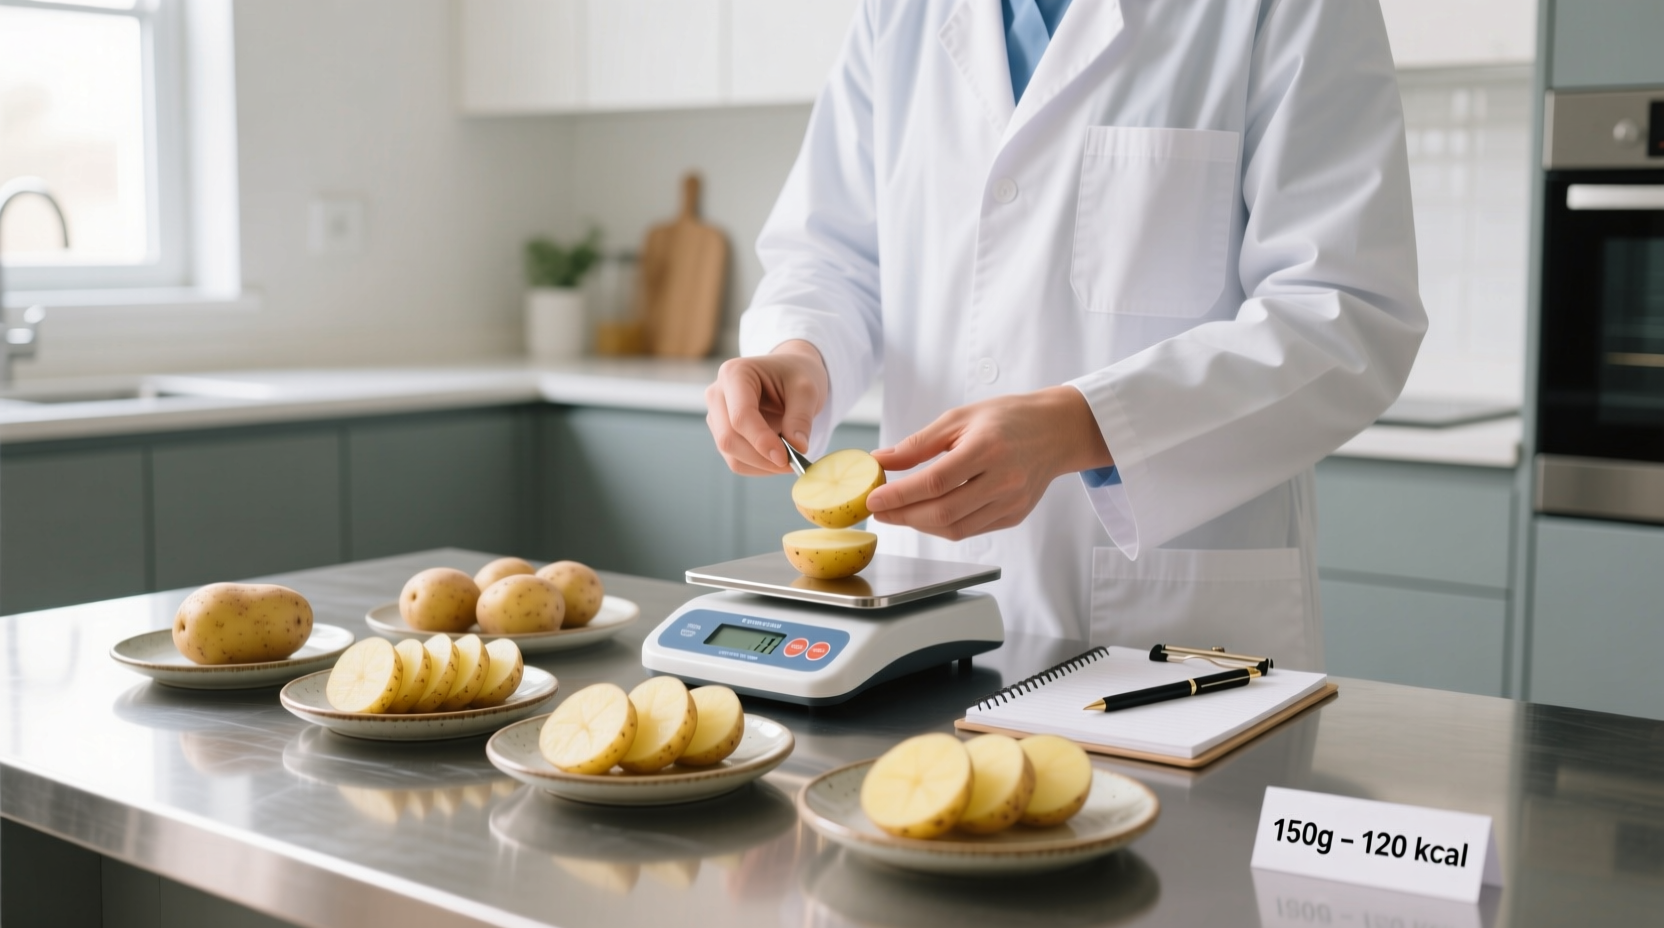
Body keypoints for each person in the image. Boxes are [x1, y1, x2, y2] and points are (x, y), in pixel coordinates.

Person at [704, 0, 1425, 670]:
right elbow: (833, 254)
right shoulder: (900, 12)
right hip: (924, 608)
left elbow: (1346, 310)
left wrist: (1084, 426)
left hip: (1168, 632)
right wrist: (800, 350)